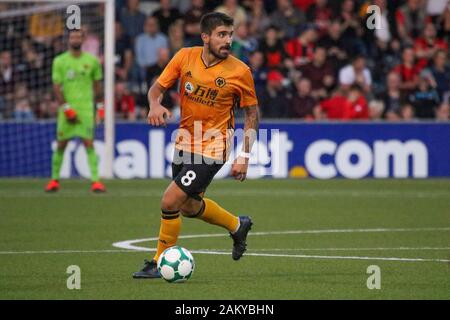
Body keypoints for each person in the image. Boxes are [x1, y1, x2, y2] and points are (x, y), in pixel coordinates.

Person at [133, 12, 259, 279]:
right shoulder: (184, 57)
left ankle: (158, 262)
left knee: (170, 200)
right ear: (206, 37)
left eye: (230, 35)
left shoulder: (240, 71)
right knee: (188, 207)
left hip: (215, 147)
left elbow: (252, 116)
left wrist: (244, 155)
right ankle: (237, 226)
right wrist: (155, 104)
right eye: (221, 35)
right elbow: (156, 89)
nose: (228, 40)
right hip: (185, 141)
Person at [45, 29, 105, 193]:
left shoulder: (92, 61)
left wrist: (100, 107)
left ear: (83, 39)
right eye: (73, 36)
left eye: (78, 36)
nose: (75, 39)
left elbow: (97, 86)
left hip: (86, 110)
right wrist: (66, 107)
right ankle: (54, 180)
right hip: (66, 110)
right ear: (69, 39)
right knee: (61, 145)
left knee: (89, 144)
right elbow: (56, 87)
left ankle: (96, 181)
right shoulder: (60, 61)